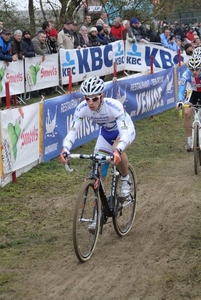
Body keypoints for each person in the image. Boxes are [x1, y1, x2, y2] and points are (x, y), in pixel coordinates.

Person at [60, 76, 135, 203]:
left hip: (124, 131)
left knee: (115, 149)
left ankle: (125, 179)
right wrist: (65, 148)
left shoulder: (114, 106)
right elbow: (72, 132)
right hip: (105, 134)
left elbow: (125, 134)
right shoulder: (82, 108)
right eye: (87, 99)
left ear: (102, 96)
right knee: (99, 171)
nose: (90, 103)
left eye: (94, 98)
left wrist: (118, 151)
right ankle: (100, 211)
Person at [176, 55, 201, 151]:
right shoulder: (186, 74)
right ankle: (190, 140)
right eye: (192, 70)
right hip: (194, 93)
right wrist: (180, 101)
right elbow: (181, 89)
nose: (194, 72)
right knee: (186, 113)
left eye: (197, 69)